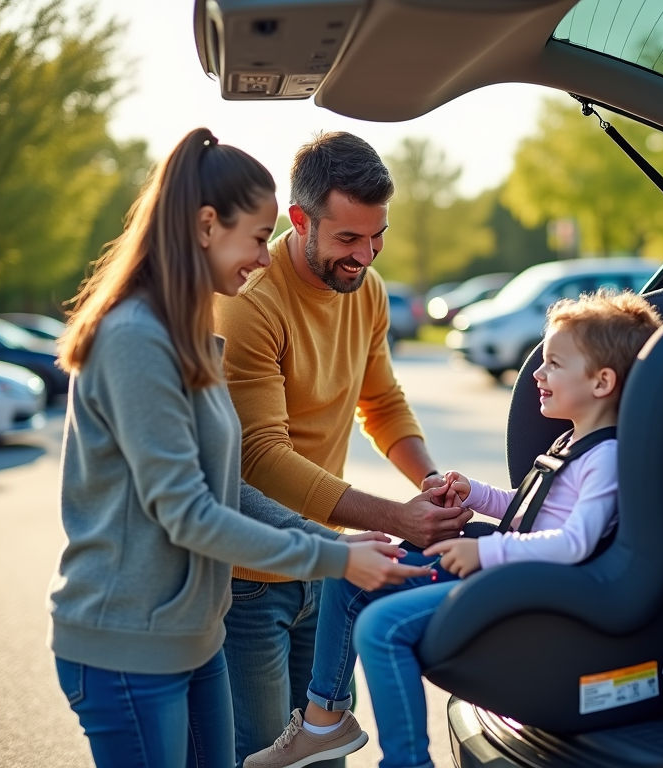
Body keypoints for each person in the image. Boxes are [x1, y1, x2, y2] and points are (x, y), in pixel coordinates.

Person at [47, 128, 430, 768]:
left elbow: (229, 485)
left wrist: (336, 545)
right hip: (128, 641)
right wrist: (333, 552)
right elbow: (193, 510)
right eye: (258, 238)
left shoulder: (189, 332)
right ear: (204, 226)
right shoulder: (140, 338)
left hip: (187, 634)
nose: (263, 258)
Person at [244, 290, 663, 768]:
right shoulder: (572, 441)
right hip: (507, 570)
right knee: (350, 572)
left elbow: (574, 544)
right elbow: (530, 512)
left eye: (553, 364)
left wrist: (487, 555)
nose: (537, 375)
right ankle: (326, 721)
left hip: (530, 591)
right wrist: (476, 494)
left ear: (602, 381)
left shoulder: (605, 458)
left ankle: (407, 762)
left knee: (382, 627)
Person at [212, 131, 469, 765]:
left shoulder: (369, 292)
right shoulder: (252, 304)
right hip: (254, 577)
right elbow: (261, 459)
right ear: (300, 221)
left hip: (331, 568)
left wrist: (431, 481)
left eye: (377, 235)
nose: (366, 255)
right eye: (348, 239)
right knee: (262, 755)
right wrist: (395, 518)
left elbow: (380, 404)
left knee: (325, 754)